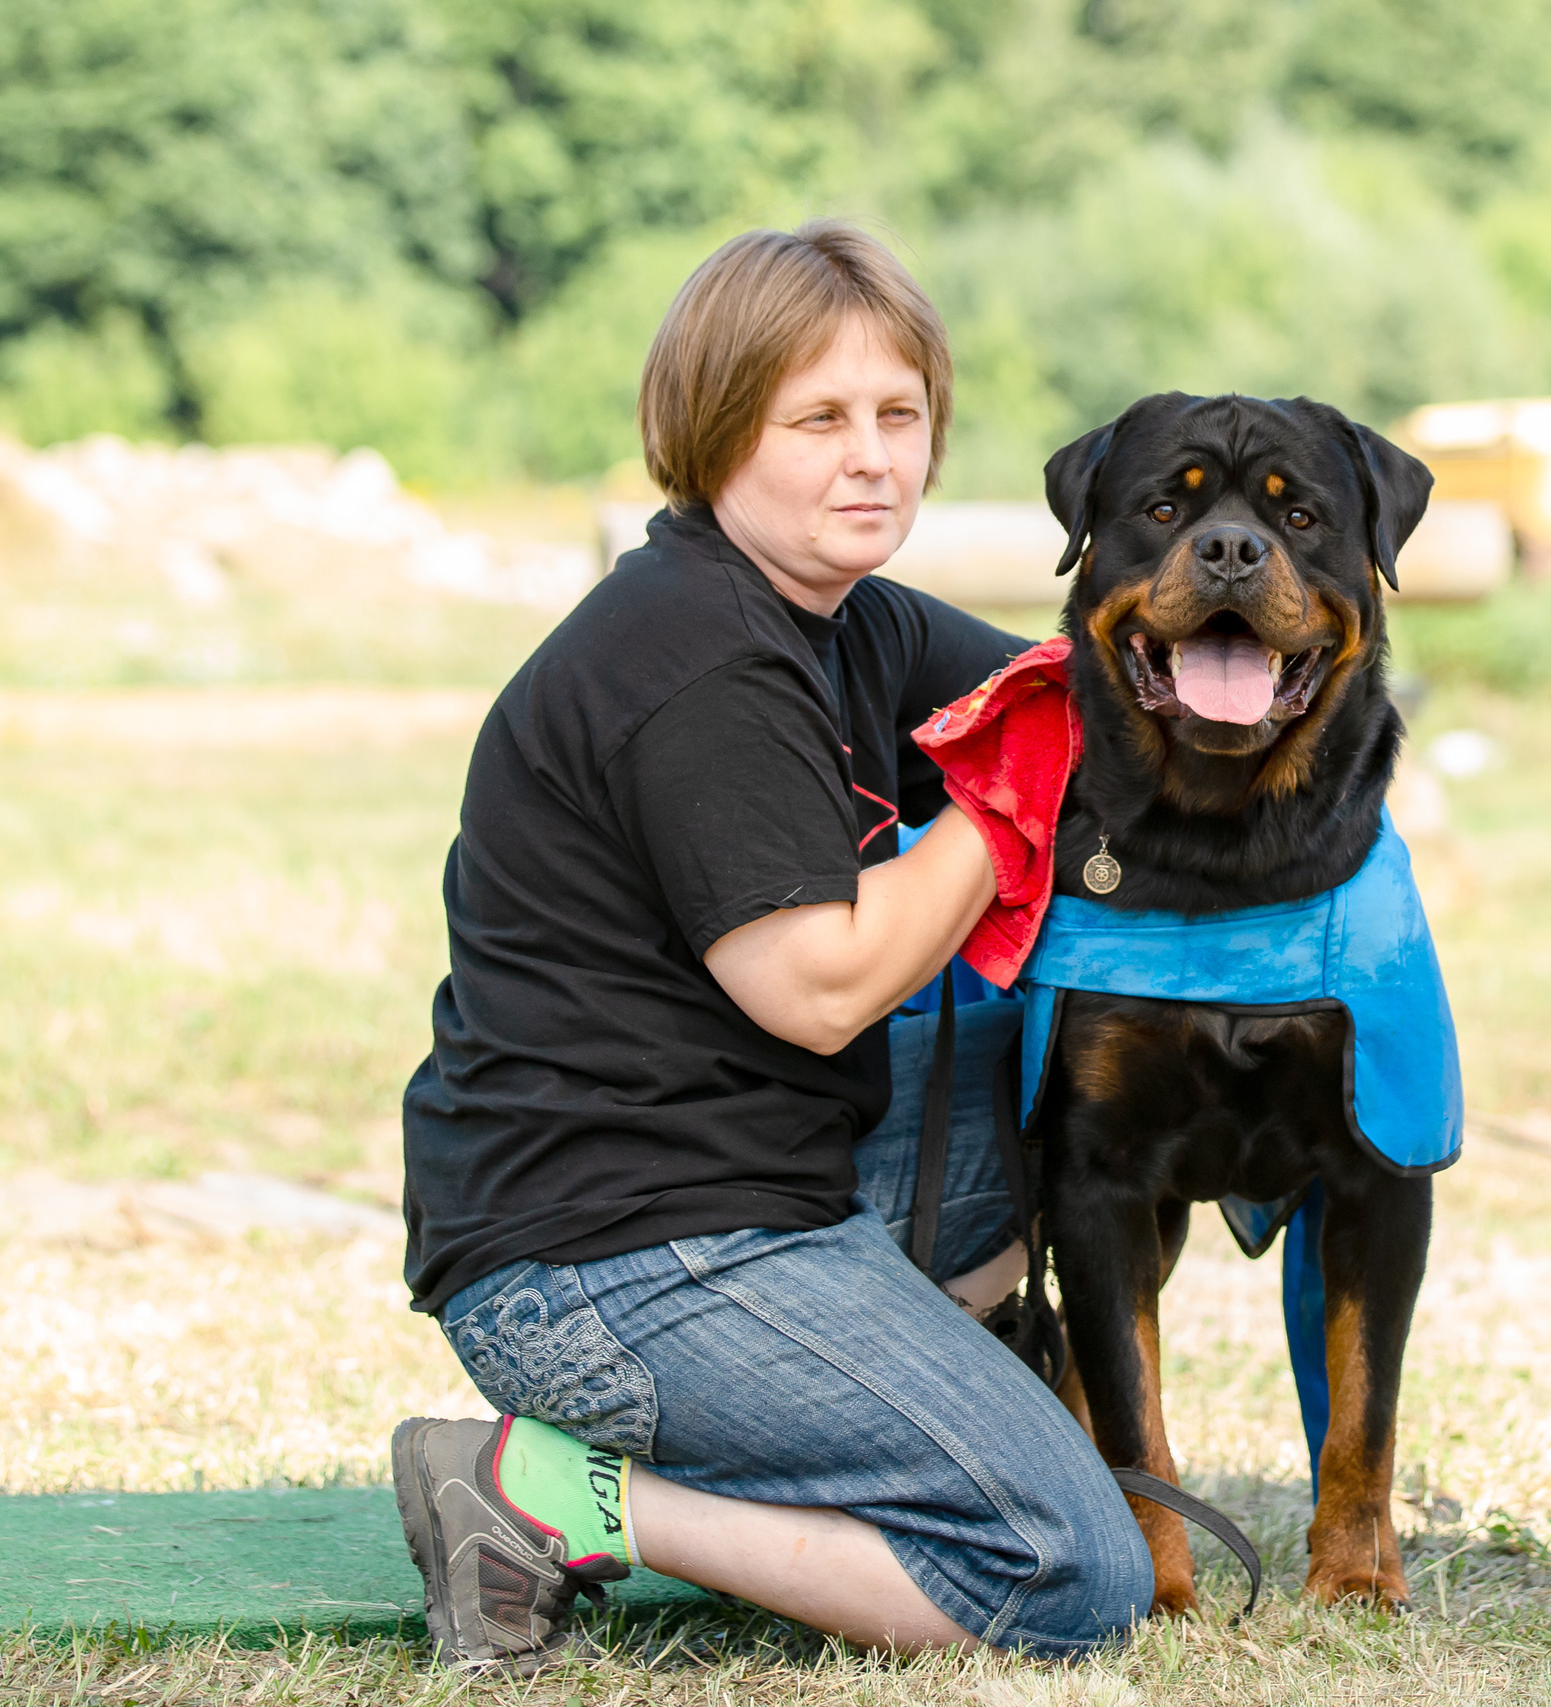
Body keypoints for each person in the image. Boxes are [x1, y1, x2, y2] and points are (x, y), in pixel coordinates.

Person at [389, 222, 1154, 1667]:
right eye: (818, 420)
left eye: (899, 416)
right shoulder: (699, 660)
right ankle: (543, 1494)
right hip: (606, 1265)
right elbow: (818, 987)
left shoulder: (841, 618)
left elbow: (1073, 704)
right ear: (719, 430)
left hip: (736, 1187)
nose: (871, 458)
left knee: (1036, 1027)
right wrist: (998, 809)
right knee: (1068, 1572)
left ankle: (919, 1396)